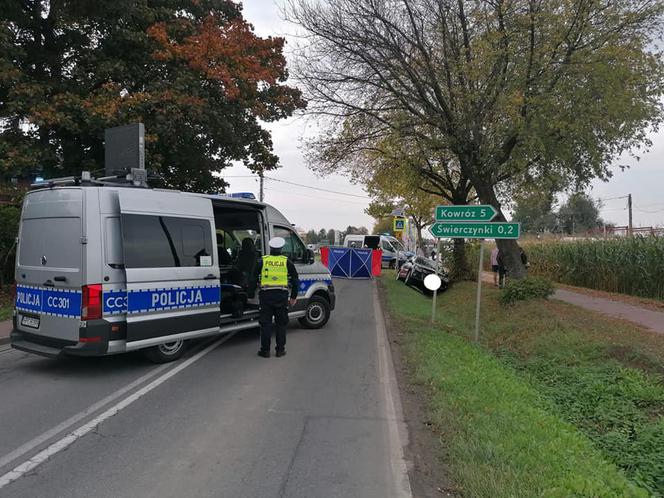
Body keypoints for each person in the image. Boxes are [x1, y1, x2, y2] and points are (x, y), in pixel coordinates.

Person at [248, 237, 299, 358]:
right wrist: (293, 296)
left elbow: (253, 278)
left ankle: (265, 351)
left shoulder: (262, 261)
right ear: (281, 248)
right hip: (281, 295)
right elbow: (296, 280)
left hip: (266, 296)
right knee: (281, 324)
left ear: (270, 248)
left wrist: (250, 294)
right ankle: (280, 350)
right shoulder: (287, 261)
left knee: (265, 324)